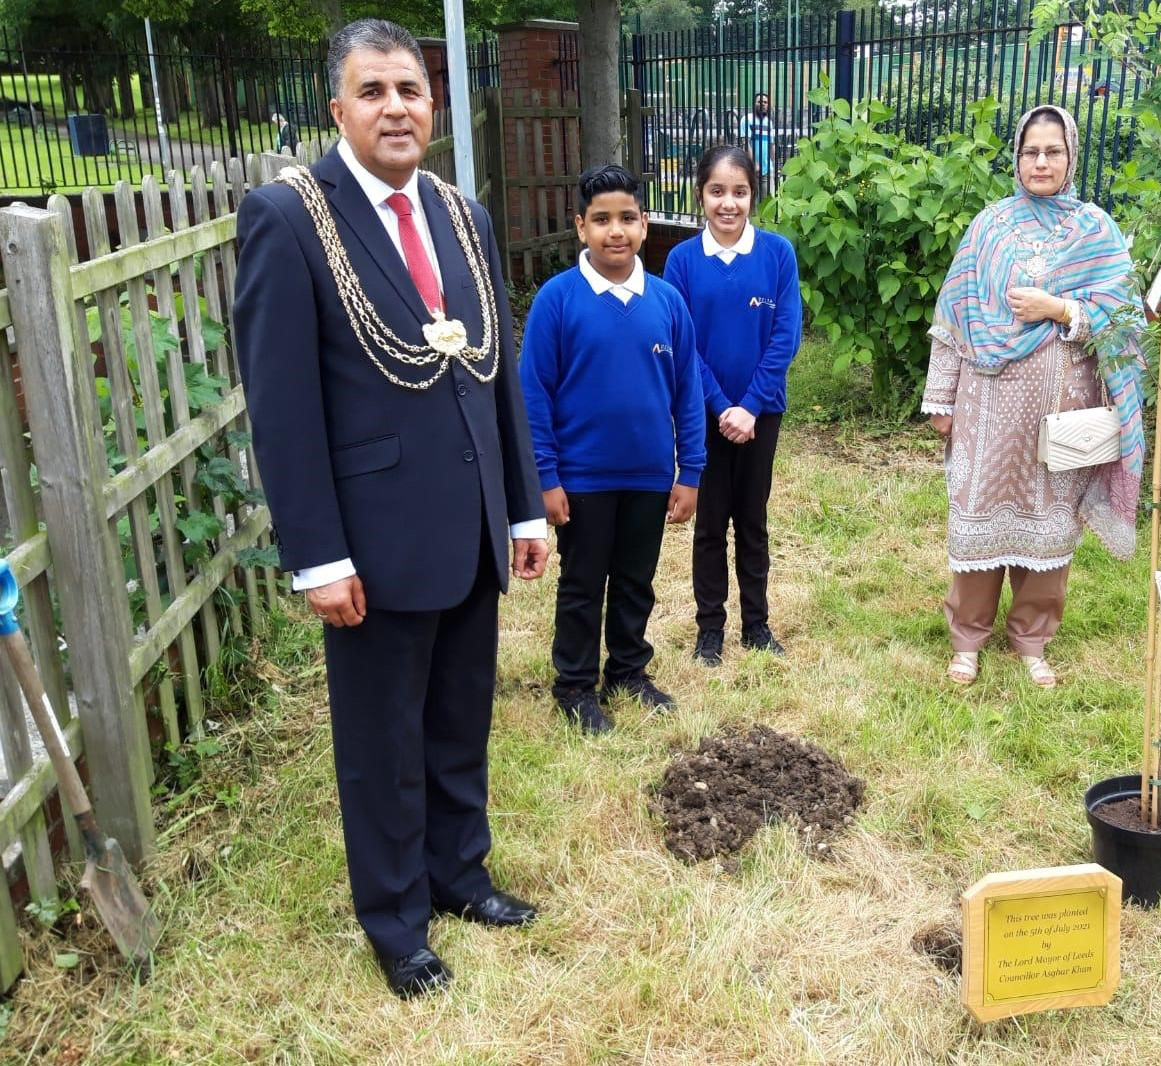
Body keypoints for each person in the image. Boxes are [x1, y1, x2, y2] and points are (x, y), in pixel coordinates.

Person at [232, 19, 548, 1000]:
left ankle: (460, 877)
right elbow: (281, 405)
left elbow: (494, 369)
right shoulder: (289, 218)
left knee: (460, 720)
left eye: (410, 89)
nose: (396, 108)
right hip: (371, 541)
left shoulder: (462, 212)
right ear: (338, 110)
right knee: (381, 744)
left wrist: (524, 509)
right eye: (372, 92)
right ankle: (396, 921)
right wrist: (316, 555)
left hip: (469, 524)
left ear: (433, 102)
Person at [921, 104, 1145, 689]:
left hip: (1061, 412)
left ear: (1072, 156)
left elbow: (1125, 318)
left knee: (1049, 524)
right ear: (1016, 157)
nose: (1040, 161)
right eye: (1030, 151)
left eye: (1053, 151)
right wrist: (940, 400)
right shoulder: (989, 226)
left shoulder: (1096, 230)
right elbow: (955, 315)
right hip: (987, 407)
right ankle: (967, 639)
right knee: (977, 516)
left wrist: (1060, 308)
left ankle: (1032, 640)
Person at [519, 164, 707, 734]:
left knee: (635, 580)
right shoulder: (557, 301)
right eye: (601, 220)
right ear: (581, 228)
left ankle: (627, 669)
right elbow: (534, 395)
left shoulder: (668, 304)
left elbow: (688, 393)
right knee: (583, 582)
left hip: (649, 477)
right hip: (582, 481)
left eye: (627, 218)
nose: (615, 231)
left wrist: (690, 471)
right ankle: (574, 684)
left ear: (645, 225)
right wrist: (546, 479)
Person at [662, 143, 802, 667]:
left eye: (739, 192)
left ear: (753, 196)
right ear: (700, 195)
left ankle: (757, 626)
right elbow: (683, 344)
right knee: (709, 524)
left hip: (761, 414)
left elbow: (785, 336)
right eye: (717, 191)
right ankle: (710, 631)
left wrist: (751, 406)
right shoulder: (680, 262)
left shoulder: (777, 255)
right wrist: (721, 406)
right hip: (705, 415)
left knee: (753, 519)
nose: (728, 203)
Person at [739, 92, 775, 187]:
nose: (763, 104)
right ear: (754, 104)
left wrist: (773, 165)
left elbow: (771, 145)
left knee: (769, 200)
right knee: (752, 201)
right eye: (759, 101)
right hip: (751, 170)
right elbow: (746, 143)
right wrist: (754, 164)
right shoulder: (747, 119)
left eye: (765, 102)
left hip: (767, 170)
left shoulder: (769, 123)